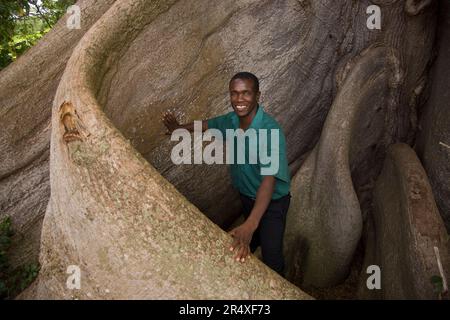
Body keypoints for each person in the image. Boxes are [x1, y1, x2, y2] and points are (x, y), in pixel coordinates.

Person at [162, 72, 291, 276]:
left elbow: (269, 181)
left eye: (246, 93)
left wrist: (250, 224)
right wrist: (179, 128)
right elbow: (207, 125)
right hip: (248, 197)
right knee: (249, 236)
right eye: (234, 93)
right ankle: (249, 241)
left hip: (273, 202)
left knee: (272, 256)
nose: (239, 100)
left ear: (258, 95)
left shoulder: (269, 132)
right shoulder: (232, 120)